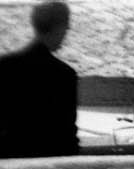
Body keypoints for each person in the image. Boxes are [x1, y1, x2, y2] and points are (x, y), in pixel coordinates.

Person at [0, 2, 78, 160]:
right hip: (49, 163)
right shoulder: (64, 75)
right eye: (66, 28)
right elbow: (66, 133)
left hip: (9, 160)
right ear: (58, 28)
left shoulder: (5, 66)